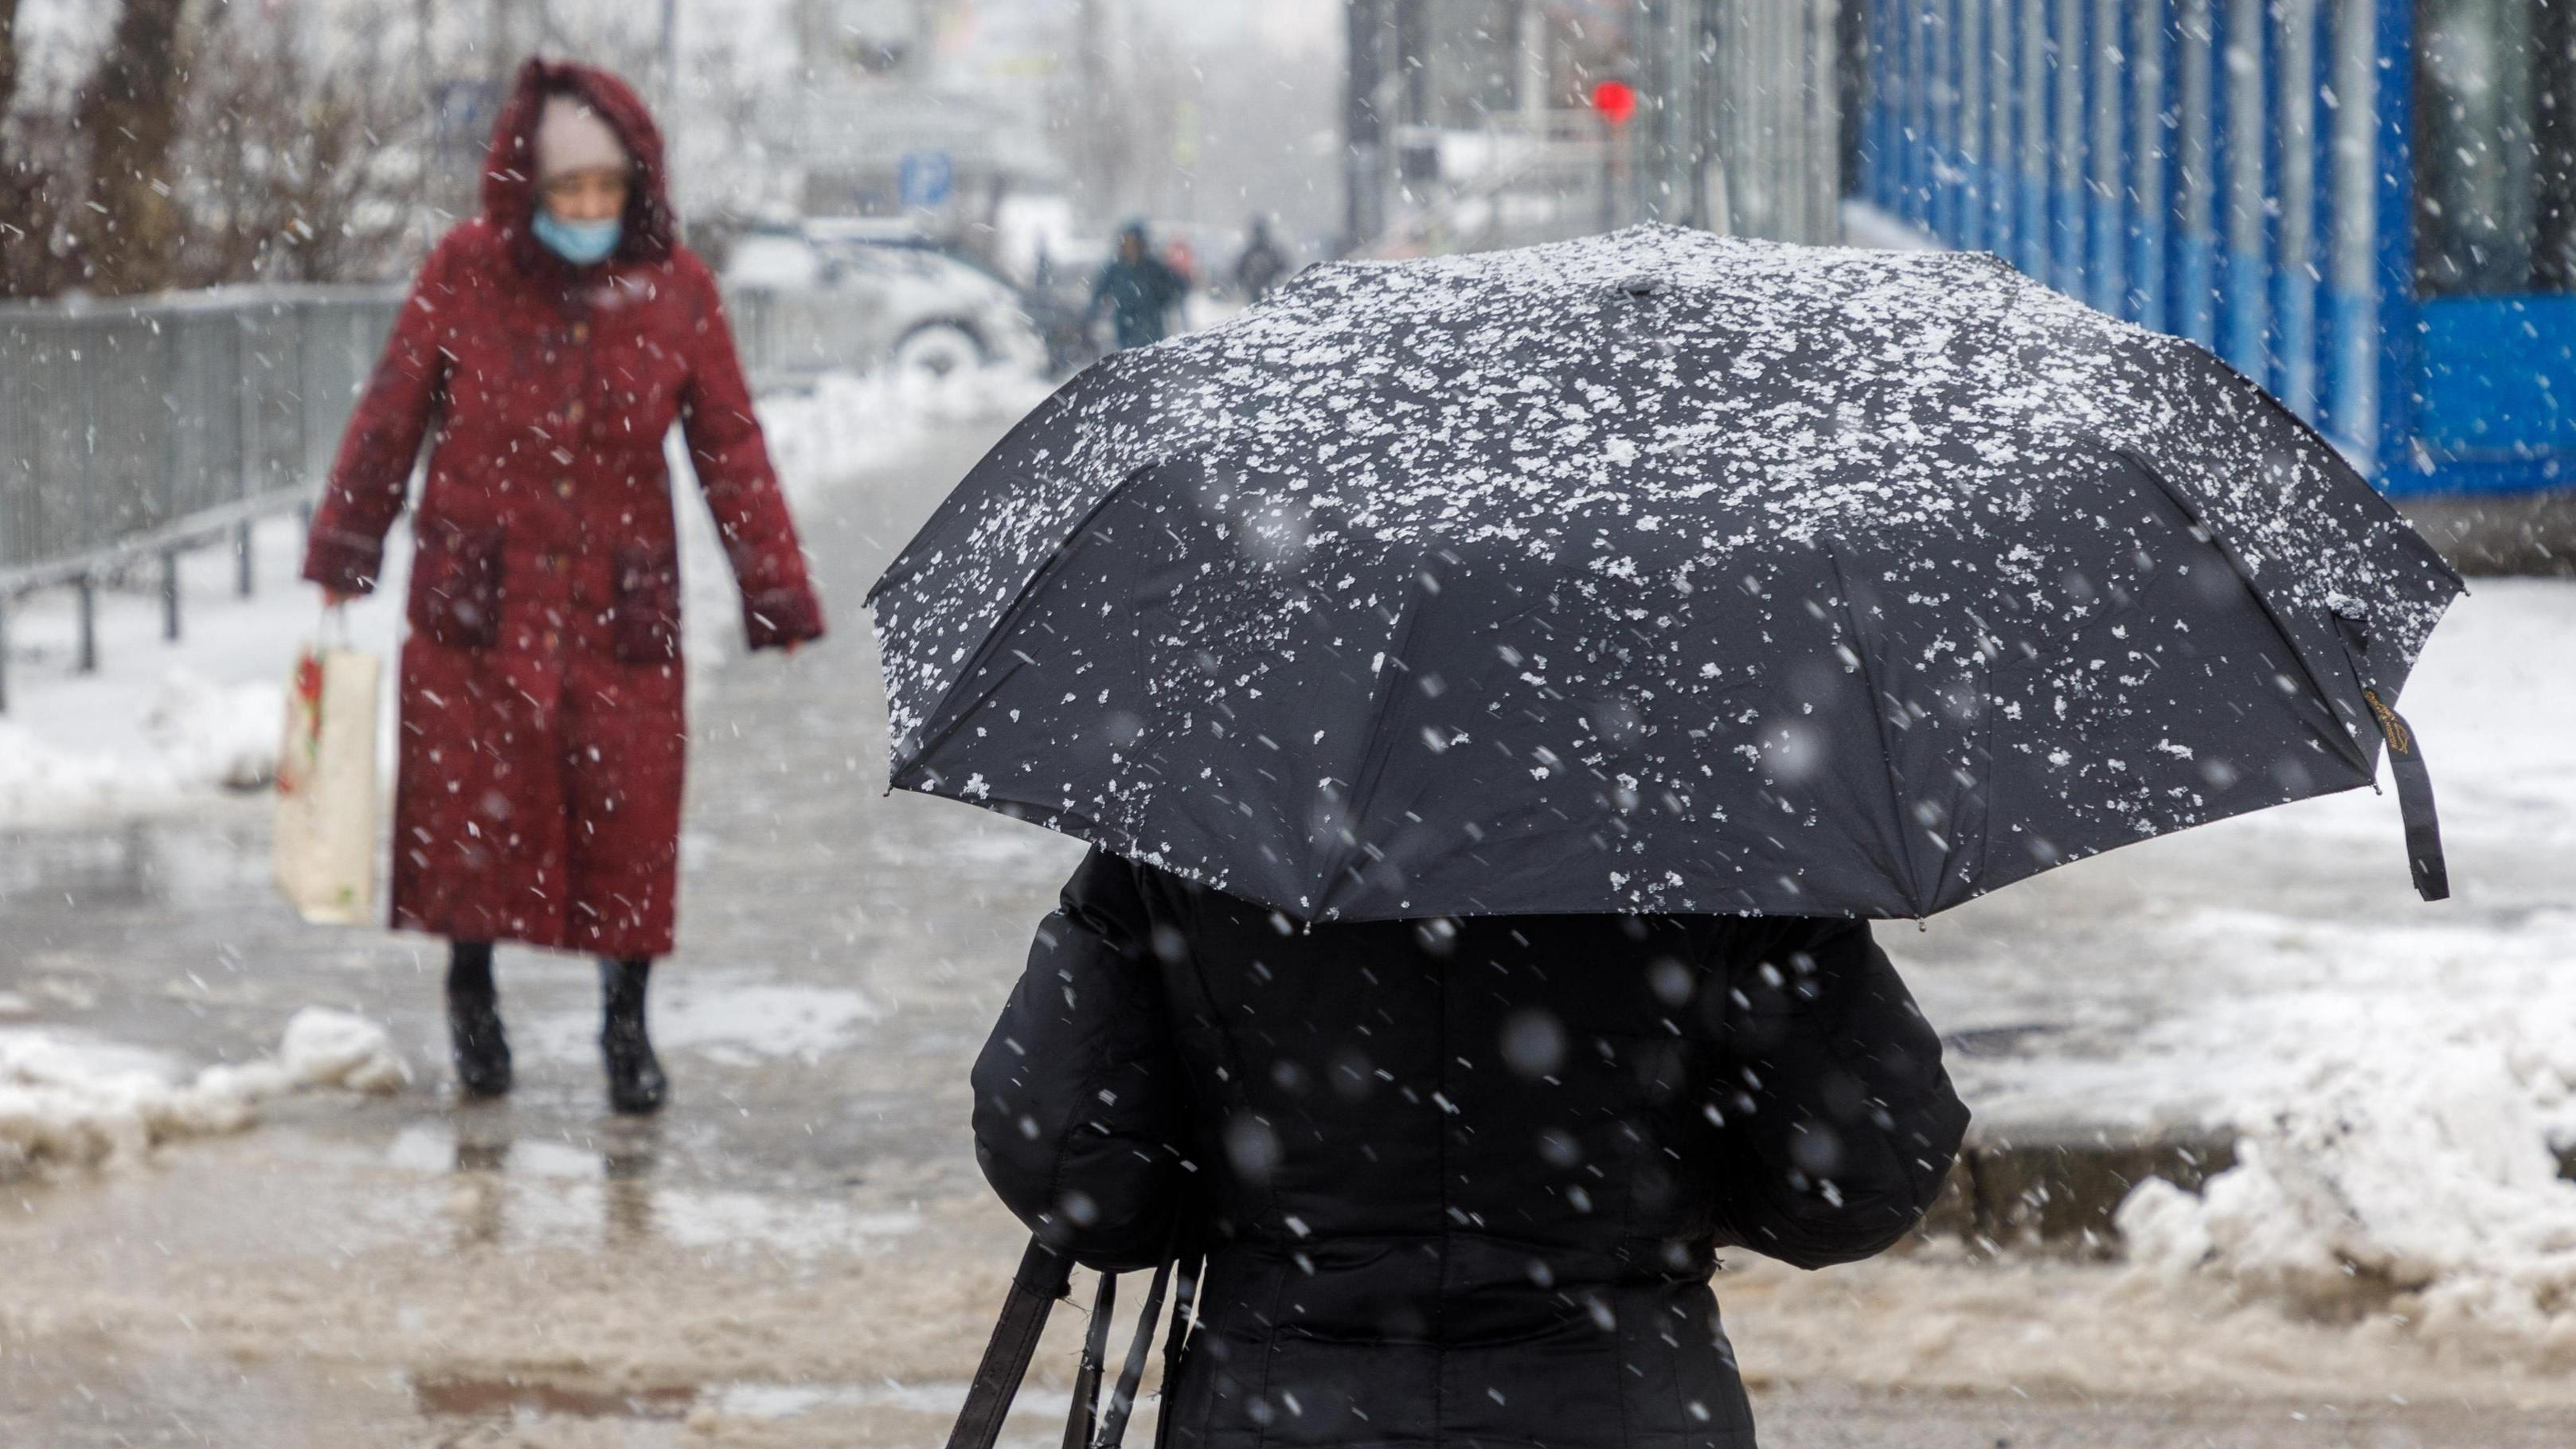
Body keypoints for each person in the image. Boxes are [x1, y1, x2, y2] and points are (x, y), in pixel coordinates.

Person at [971, 849, 1969, 1447]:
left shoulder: (1195, 808)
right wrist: (1676, 1196)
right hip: (1622, 1401)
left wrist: (1233, 1199)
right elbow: (1862, 1176)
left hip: (1277, 1401)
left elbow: (1064, 1156)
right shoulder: (1726, 821)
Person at [299, 59, 825, 1114]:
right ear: (523, 188)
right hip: (474, 602)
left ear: (636, 187)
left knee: (625, 817)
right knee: (465, 815)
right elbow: (393, 409)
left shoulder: (677, 292)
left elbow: (730, 446)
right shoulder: (464, 271)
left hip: (616, 607)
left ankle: (624, 1027)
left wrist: (774, 591)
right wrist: (345, 549)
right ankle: (472, 1000)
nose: (587, 211)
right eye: (566, 193)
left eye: (605, 191)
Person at [1085, 221, 1190, 350]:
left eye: (1134, 242)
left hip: (1151, 323)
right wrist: (1092, 314)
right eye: (1127, 242)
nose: (1130, 247)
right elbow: (1101, 291)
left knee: (1151, 357)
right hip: (1124, 323)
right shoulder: (1117, 268)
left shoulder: (1153, 267)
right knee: (1128, 357)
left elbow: (1175, 287)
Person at [1231, 215, 1291, 303]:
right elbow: (1284, 267)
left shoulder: (1252, 251)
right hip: (1267, 288)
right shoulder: (1271, 250)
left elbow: (1239, 271)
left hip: (1258, 288)